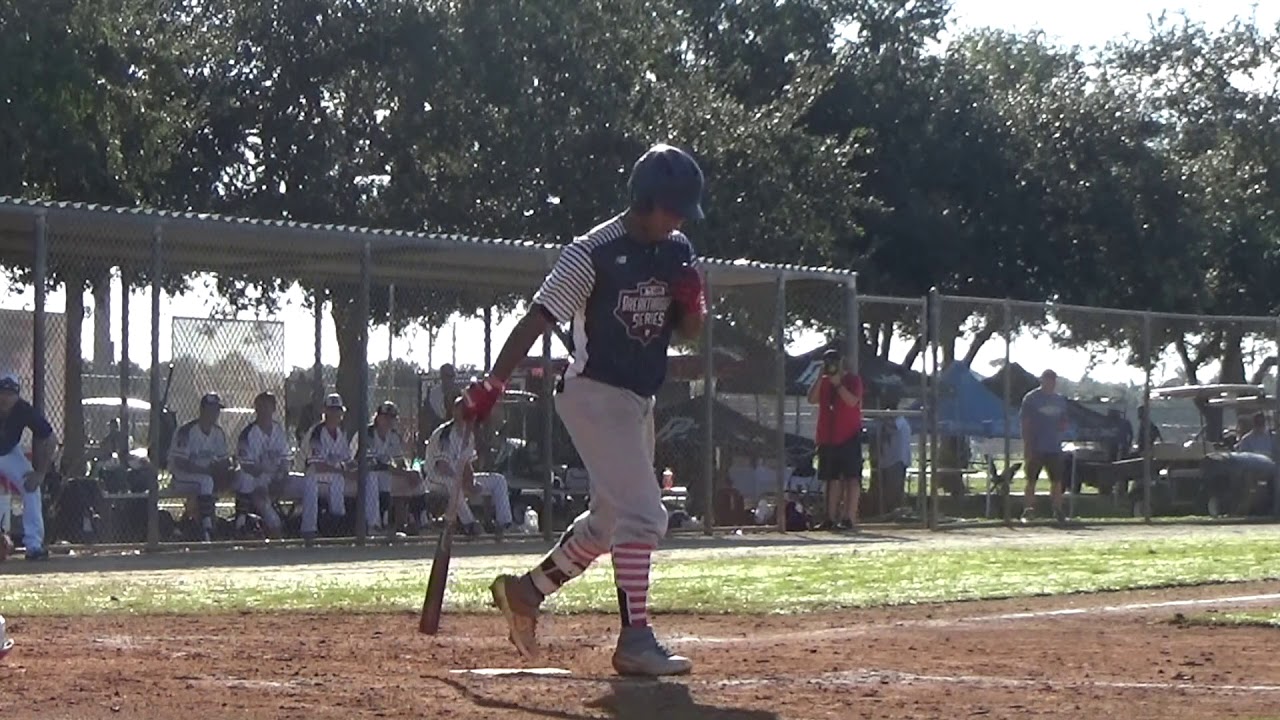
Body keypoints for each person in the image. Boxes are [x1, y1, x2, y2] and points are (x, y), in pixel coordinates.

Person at [461, 143, 707, 677]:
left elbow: (688, 333)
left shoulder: (678, 248)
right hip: (594, 394)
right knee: (646, 511)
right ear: (646, 200)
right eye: (674, 207)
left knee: (610, 521)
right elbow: (536, 321)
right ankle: (635, 640)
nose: (681, 219)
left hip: (637, 399)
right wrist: (493, 384)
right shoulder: (592, 252)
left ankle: (525, 593)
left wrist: (693, 304)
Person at [424, 398, 514, 538]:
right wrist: (462, 480)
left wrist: (471, 481)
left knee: (498, 480)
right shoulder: (445, 434)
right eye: (461, 409)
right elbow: (443, 467)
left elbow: (467, 464)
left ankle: (505, 523)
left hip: (457, 476)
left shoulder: (468, 434)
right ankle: (469, 524)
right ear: (454, 412)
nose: (465, 412)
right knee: (453, 483)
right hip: (436, 479)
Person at [0, 373, 57, 561]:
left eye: (10, 393)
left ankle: (33, 545)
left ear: (17, 395)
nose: (5, 397)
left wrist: (40, 473)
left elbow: (49, 437)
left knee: (30, 486)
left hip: (8, 452)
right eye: (2, 391)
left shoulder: (23, 410)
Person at [807, 347, 864, 530]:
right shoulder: (823, 382)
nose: (831, 365)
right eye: (828, 361)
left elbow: (852, 401)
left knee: (852, 478)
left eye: (834, 361)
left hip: (849, 436)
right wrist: (820, 377)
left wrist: (838, 383)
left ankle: (849, 518)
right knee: (831, 479)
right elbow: (811, 399)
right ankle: (829, 518)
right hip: (827, 437)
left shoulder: (852, 380)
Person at [168, 392, 234, 542]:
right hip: (181, 478)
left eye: (217, 410)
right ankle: (207, 529)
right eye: (211, 409)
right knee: (206, 482)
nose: (215, 413)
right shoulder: (186, 431)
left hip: (205, 477)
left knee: (222, 480)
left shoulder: (218, 432)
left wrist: (225, 468)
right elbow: (180, 463)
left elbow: (224, 460)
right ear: (202, 410)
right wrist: (206, 471)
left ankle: (190, 526)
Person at [233, 391, 290, 539]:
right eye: (261, 406)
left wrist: (281, 477)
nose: (264, 410)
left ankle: (308, 529)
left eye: (268, 406)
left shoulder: (278, 431)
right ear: (256, 409)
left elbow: (285, 459)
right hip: (256, 477)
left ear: (274, 409)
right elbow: (247, 466)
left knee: (307, 484)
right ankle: (273, 529)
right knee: (248, 481)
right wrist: (265, 480)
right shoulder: (248, 434)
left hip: (277, 476)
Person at [301, 393, 353, 545]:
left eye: (337, 410)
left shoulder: (340, 434)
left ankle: (337, 527)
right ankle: (308, 530)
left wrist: (352, 470)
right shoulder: (316, 432)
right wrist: (342, 471)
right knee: (316, 482)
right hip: (309, 474)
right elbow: (316, 465)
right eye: (331, 410)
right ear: (325, 411)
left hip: (331, 475)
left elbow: (347, 460)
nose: (335, 414)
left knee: (338, 480)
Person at [1020, 370, 1069, 523]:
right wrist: (1027, 445)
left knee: (1056, 480)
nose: (1050, 383)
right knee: (1031, 479)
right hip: (1036, 446)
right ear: (1042, 381)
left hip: (1054, 446)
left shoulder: (1059, 400)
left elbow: (1064, 421)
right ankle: (1028, 510)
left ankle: (1057, 509)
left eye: (1053, 380)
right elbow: (1025, 423)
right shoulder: (1031, 398)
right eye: (1047, 380)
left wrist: (1062, 426)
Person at [367, 401, 408, 534]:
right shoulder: (367, 434)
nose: (388, 420)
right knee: (376, 477)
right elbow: (370, 464)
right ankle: (374, 525)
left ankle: (418, 523)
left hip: (383, 472)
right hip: (359, 472)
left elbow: (400, 461)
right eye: (385, 417)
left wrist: (408, 473)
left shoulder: (393, 436)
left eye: (392, 417)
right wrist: (395, 470)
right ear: (377, 417)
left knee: (412, 476)